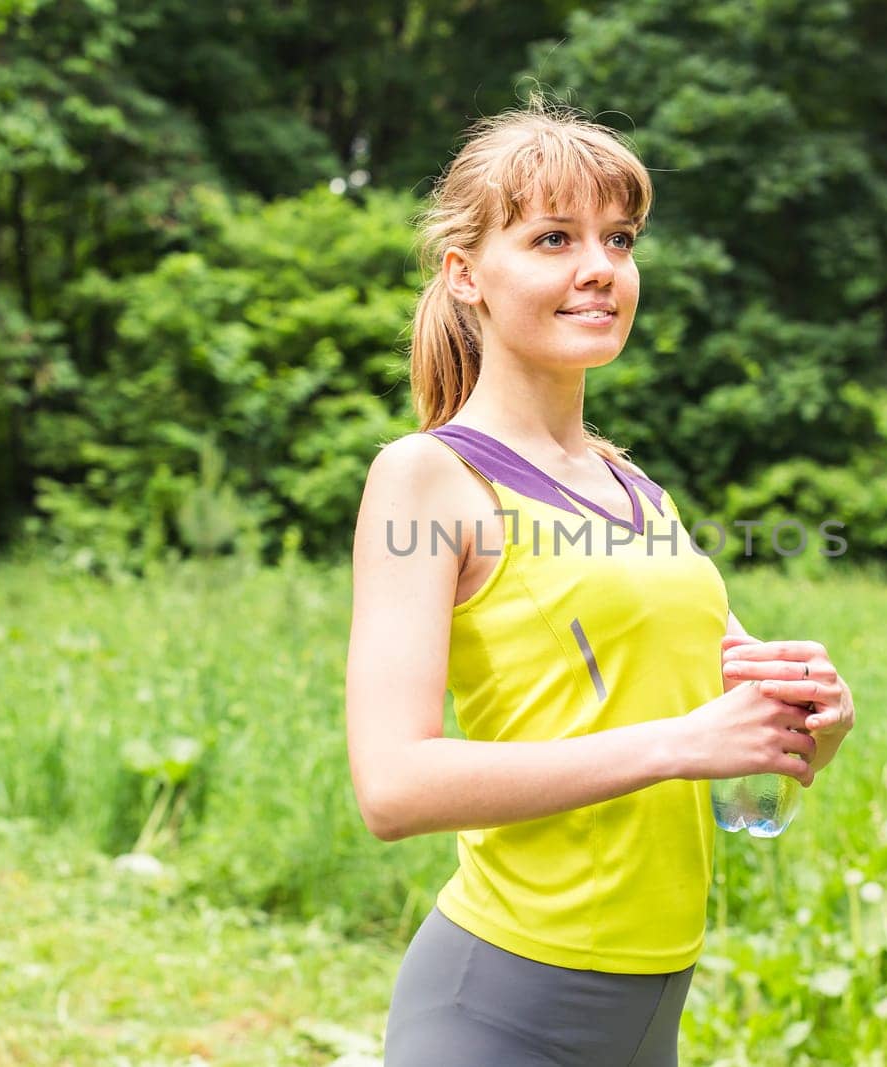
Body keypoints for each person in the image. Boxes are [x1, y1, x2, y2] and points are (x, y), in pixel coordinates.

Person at [344, 102, 857, 1067]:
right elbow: (393, 785)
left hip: (650, 1008)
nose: (601, 268)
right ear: (466, 277)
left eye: (619, 239)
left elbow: (727, 727)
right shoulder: (427, 478)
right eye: (553, 238)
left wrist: (810, 720)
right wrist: (683, 741)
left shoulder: (636, 488)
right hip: (499, 1004)